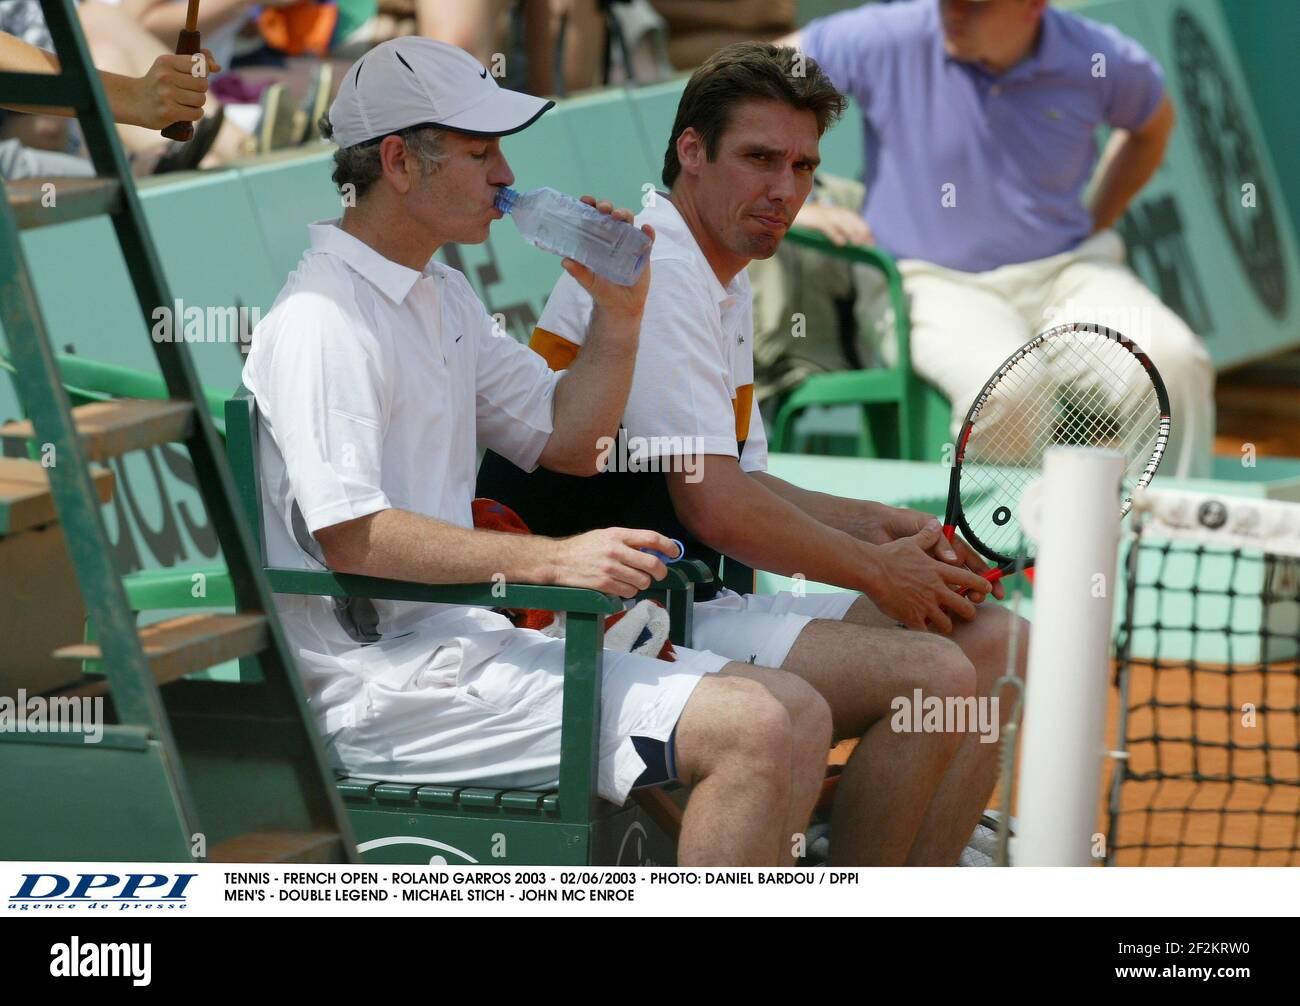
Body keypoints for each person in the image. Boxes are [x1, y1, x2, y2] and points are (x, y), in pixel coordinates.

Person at [242, 37, 833, 867]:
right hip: (383, 692)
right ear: (399, 163)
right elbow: (353, 537)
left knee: (795, 712)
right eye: (481, 152)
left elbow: (570, 442)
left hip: (464, 649)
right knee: (759, 728)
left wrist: (619, 317)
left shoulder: (438, 291)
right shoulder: (321, 319)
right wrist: (552, 561)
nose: (506, 176)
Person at [477, 41, 1029, 865]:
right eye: (759, 159)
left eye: (803, 166)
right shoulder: (660, 274)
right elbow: (716, 507)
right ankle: (854, 869)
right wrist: (878, 571)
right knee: (938, 678)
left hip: (681, 602)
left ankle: (916, 869)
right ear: (691, 152)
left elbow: (743, 479)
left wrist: (876, 525)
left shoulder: (718, 272)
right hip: (593, 624)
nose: (785, 190)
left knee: (997, 644)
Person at [781, 0, 1214, 478]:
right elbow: (753, 80)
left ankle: (1158, 541)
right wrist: (793, 203)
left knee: (1174, 364)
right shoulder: (888, 33)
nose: (953, 12)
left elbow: (1152, 127)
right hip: (929, 281)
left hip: (1066, 272)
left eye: (974, 4)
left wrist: (1096, 218)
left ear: (1033, 6)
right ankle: (999, 550)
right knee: (1010, 389)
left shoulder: (1098, 56)